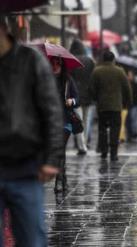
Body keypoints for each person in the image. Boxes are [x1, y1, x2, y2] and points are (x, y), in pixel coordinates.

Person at [0, 15, 63, 246]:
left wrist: (52, 158)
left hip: (24, 165)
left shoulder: (30, 60)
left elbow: (52, 111)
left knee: (32, 239)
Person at [90, 51, 132, 161]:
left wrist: (96, 98)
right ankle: (114, 153)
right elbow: (127, 88)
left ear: (103, 59)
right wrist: (128, 102)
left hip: (102, 105)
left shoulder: (97, 71)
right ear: (113, 60)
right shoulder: (120, 71)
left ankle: (104, 151)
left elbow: (92, 89)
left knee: (102, 129)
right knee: (115, 129)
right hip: (116, 106)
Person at [50, 56, 79, 193]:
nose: (55, 66)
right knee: (59, 151)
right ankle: (64, 177)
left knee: (59, 149)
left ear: (62, 65)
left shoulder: (68, 81)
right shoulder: (45, 80)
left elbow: (78, 99)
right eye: (53, 63)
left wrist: (71, 101)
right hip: (51, 122)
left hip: (66, 121)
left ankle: (58, 182)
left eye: (58, 63)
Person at [69, 39, 95, 154]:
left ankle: (81, 145)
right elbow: (93, 78)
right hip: (88, 95)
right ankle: (85, 141)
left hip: (75, 96)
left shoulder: (71, 61)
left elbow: (68, 80)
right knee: (86, 120)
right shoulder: (89, 61)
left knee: (77, 121)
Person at [126, 69, 137, 141]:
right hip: (127, 105)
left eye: (130, 75)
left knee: (133, 119)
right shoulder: (126, 84)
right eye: (128, 75)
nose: (129, 77)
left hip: (135, 104)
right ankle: (130, 134)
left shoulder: (136, 85)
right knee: (128, 120)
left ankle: (134, 133)